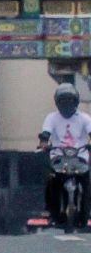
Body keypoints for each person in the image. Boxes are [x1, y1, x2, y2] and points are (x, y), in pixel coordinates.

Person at [39, 83, 91, 224]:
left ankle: (87, 209)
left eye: (70, 101)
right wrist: (44, 143)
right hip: (58, 156)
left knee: (87, 182)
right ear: (57, 103)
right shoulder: (52, 118)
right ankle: (50, 208)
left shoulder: (84, 118)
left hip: (80, 157)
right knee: (51, 181)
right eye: (63, 102)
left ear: (76, 102)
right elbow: (45, 133)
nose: (66, 105)